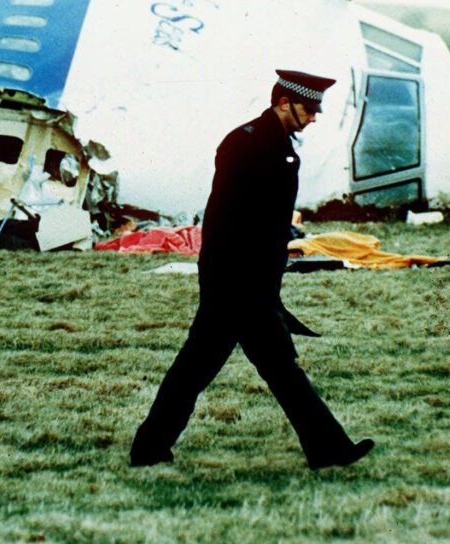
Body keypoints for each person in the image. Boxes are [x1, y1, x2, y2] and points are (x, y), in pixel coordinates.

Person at [130, 69, 374, 470]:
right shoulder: (247, 144)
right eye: (309, 108)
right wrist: (251, 286)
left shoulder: (272, 143)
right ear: (284, 103)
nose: (314, 117)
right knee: (258, 367)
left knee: (229, 367)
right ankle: (329, 449)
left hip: (248, 281)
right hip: (237, 281)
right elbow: (230, 220)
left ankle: (150, 448)